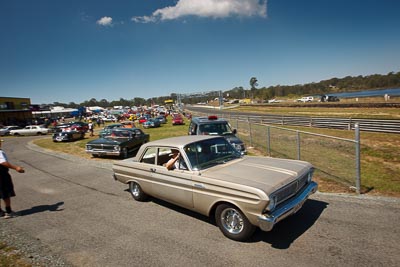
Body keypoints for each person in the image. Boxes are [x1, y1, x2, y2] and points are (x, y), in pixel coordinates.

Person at [0, 139, 25, 219]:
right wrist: (16, 167)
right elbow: (3, 162)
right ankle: (9, 212)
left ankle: (0, 212)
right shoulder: (0, 152)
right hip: (1, 175)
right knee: (5, 192)